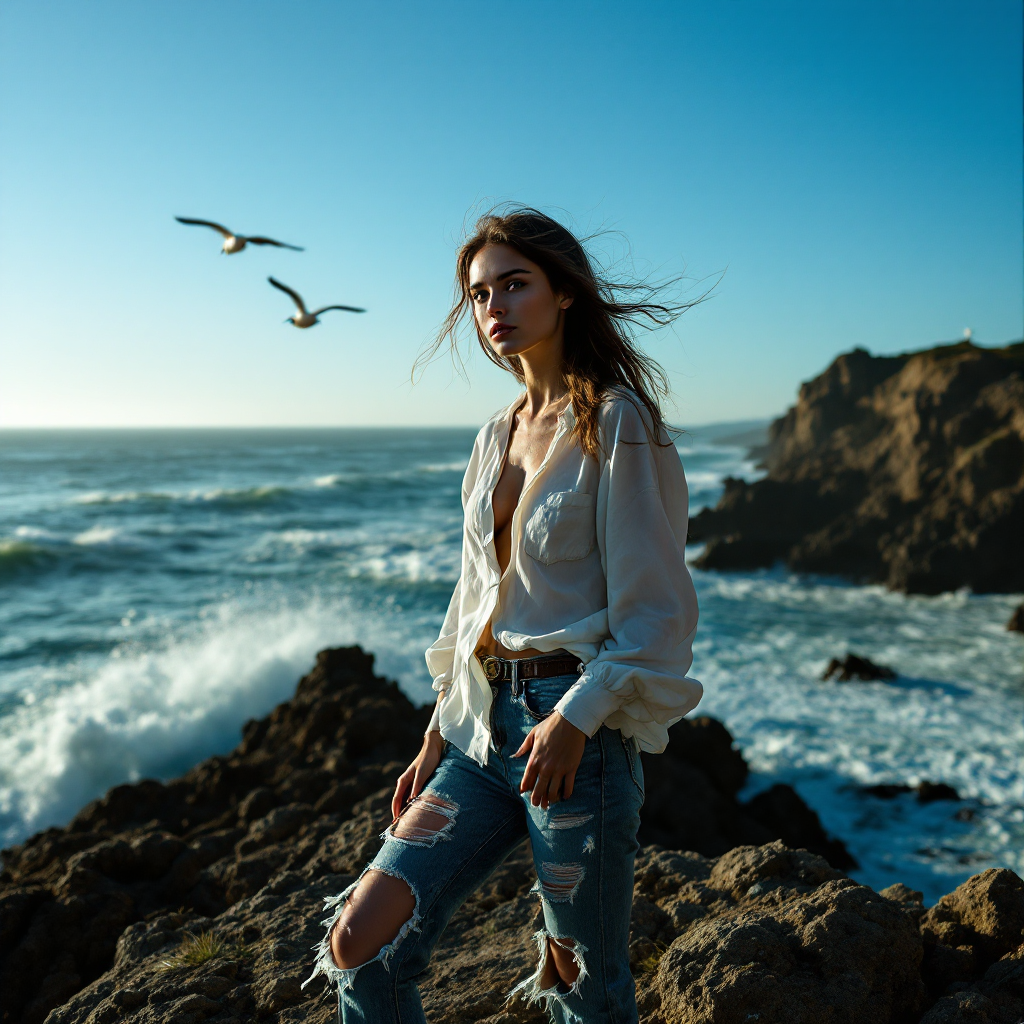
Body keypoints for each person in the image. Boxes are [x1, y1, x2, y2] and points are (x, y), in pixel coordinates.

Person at [305, 207, 702, 1024]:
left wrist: (576, 719)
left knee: (580, 980)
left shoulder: (618, 423)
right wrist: (436, 731)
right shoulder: (494, 437)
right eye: (481, 293)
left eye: (515, 285)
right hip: (479, 733)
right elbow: (472, 600)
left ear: (564, 294)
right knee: (361, 941)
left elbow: (657, 612)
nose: (494, 308)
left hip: (574, 740)